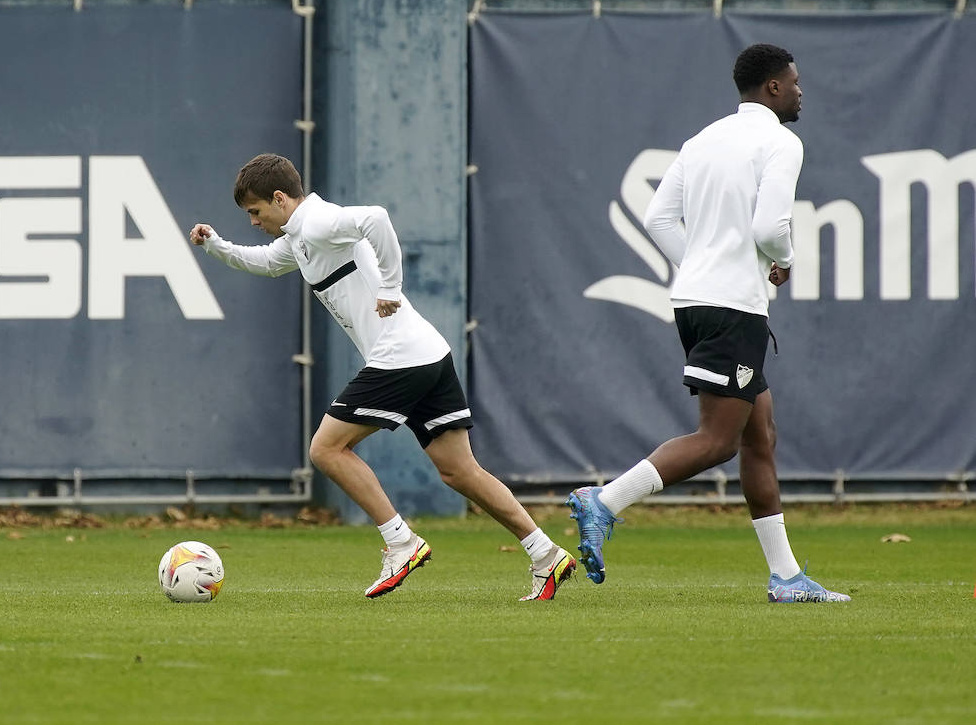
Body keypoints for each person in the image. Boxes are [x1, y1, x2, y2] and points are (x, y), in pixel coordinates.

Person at [190, 153, 576, 601]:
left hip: (400, 356)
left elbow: (376, 218)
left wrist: (391, 287)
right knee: (459, 471)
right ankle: (546, 554)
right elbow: (264, 263)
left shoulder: (317, 222)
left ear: (279, 198)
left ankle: (401, 542)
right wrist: (215, 244)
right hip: (428, 352)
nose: (253, 222)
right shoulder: (298, 237)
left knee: (326, 448)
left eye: (256, 212)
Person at [566, 44, 849, 603]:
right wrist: (783, 260)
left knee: (759, 436)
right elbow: (771, 229)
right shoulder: (782, 142)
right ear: (772, 87)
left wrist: (697, 265)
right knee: (717, 441)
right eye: (793, 82)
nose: (799, 91)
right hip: (733, 306)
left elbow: (659, 217)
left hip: (695, 300)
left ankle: (787, 577)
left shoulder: (702, 139)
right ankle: (604, 502)